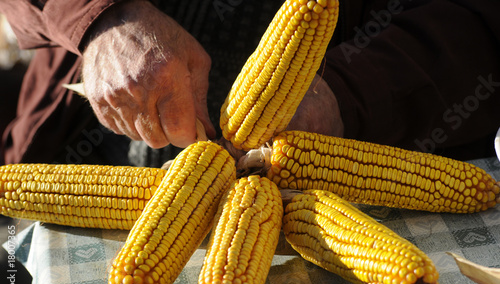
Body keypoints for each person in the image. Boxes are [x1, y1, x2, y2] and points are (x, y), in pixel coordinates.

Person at [1, 0, 500, 168]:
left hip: (351, 161)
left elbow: (481, 22)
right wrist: (99, 18)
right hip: (93, 150)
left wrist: (349, 97)